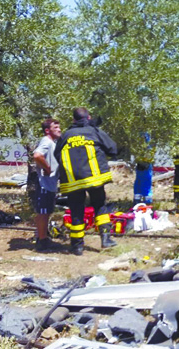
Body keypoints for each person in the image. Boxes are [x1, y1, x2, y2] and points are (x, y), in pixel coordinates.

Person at [54, 107, 119, 255]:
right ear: (88, 117)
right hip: (94, 178)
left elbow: (56, 154)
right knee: (100, 205)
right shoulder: (94, 131)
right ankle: (106, 239)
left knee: (76, 211)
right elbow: (112, 149)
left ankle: (77, 246)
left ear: (73, 120)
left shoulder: (66, 135)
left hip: (72, 180)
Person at [32, 118, 61, 252]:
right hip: (44, 183)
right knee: (43, 213)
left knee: (46, 211)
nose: (59, 130)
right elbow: (37, 155)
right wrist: (47, 168)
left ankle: (43, 237)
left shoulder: (52, 143)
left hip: (50, 184)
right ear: (47, 130)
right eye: (56, 127)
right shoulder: (46, 141)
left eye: (59, 127)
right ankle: (42, 241)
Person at [133, 132, 154, 205]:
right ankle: (147, 201)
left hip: (140, 165)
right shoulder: (147, 144)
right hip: (146, 166)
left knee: (138, 182)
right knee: (146, 183)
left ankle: (137, 200)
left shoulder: (138, 143)